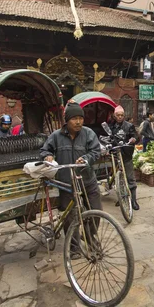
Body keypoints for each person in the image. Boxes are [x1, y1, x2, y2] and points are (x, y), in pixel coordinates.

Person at [40, 103, 102, 255]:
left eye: (81, 118)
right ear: (67, 120)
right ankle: (74, 248)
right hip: (66, 182)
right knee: (70, 217)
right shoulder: (56, 136)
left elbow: (96, 151)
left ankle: (89, 237)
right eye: (75, 118)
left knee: (96, 211)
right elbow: (44, 150)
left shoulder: (88, 134)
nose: (79, 122)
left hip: (87, 180)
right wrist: (47, 156)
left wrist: (86, 158)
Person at [109, 105, 140, 210]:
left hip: (126, 155)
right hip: (115, 155)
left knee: (130, 178)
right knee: (119, 178)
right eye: (118, 115)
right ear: (114, 115)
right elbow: (108, 137)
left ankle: (133, 200)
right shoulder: (111, 126)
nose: (120, 117)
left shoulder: (129, 126)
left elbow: (135, 136)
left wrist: (134, 139)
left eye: (122, 115)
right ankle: (121, 198)